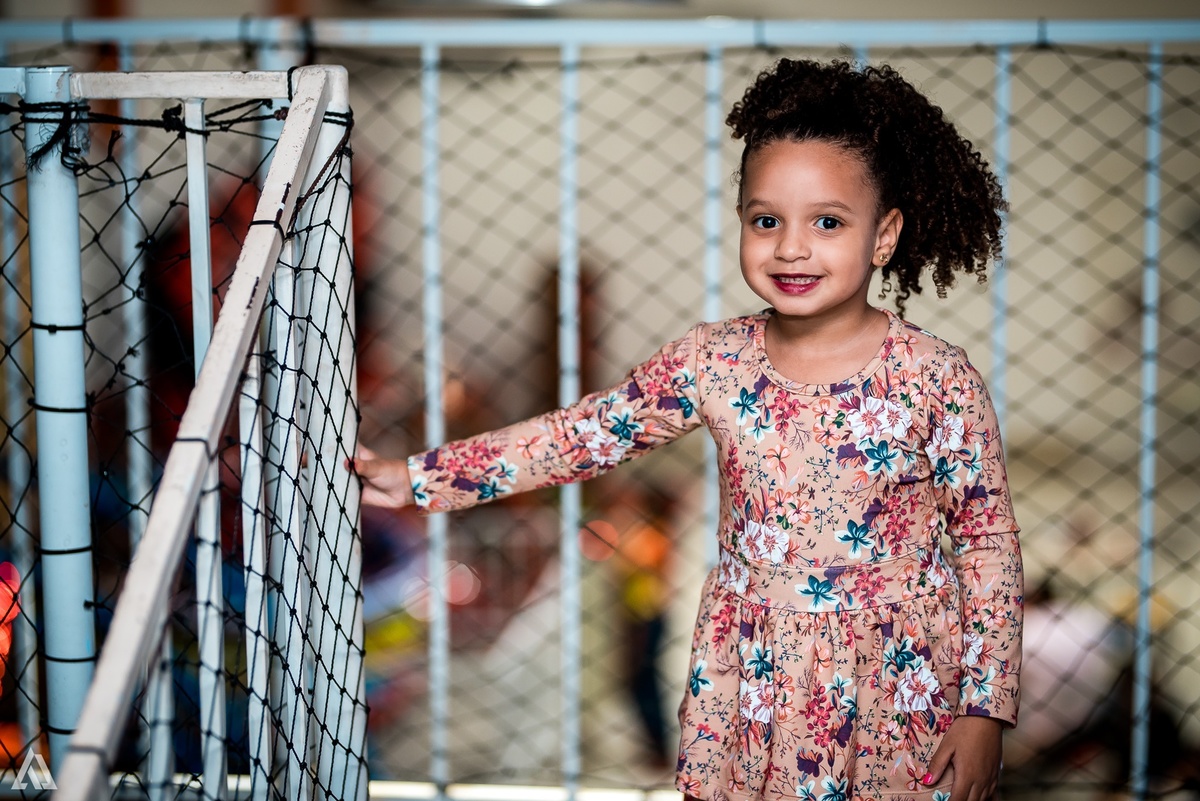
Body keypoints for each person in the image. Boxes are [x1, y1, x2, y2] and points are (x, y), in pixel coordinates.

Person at [352, 58, 1023, 801]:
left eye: (827, 222)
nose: (791, 247)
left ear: (884, 235)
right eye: (766, 220)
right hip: (755, 682)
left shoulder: (938, 377)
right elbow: (582, 435)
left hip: (897, 681)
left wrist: (985, 708)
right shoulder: (713, 361)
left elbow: (988, 543)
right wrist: (418, 478)